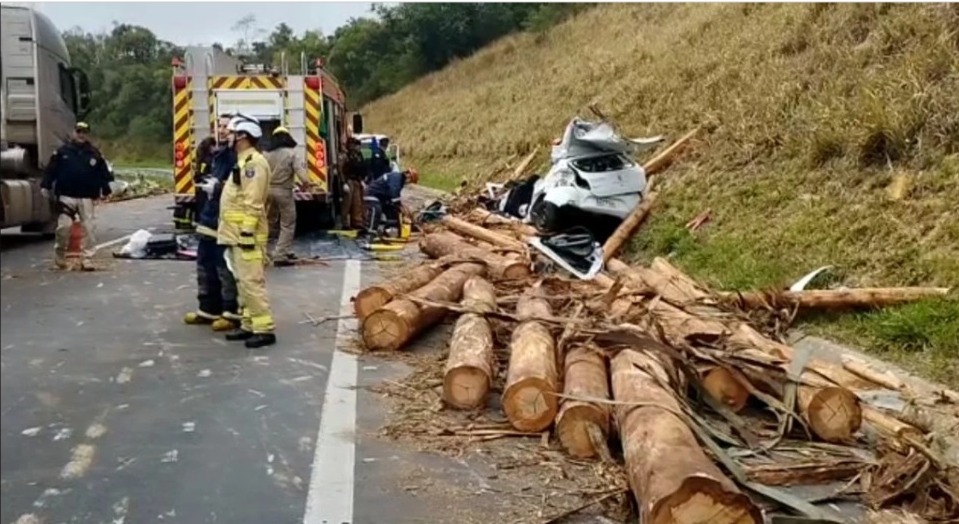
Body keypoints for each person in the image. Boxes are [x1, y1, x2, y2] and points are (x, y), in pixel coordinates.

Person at [218, 113, 277, 348]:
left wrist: (246, 233)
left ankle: (264, 329)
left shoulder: (253, 164)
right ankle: (249, 324)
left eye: (231, 132)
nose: (227, 135)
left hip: (246, 236)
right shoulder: (243, 161)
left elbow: (253, 202)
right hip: (236, 234)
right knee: (242, 282)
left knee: (251, 282)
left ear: (243, 136)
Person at [183, 115, 241, 331]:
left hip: (225, 219)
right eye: (220, 126)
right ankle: (207, 308)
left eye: (227, 127)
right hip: (209, 216)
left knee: (224, 267)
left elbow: (239, 188)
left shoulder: (237, 157)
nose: (223, 130)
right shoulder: (217, 154)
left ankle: (230, 311)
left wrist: (218, 187)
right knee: (204, 264)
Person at [40, 121, 113, 270]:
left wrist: (105, 190)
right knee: (63, 228)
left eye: (84, 132)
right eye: (78, 131)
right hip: (67, 196)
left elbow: (102, 175)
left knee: (89, 228)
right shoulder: (62, 152)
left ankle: (87, 259)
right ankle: (59, 256)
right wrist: (45, 186)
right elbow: (51, 170)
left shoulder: (94, 153)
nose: (81, 135)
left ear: (88, 135)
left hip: (86, 196)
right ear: (73, 133)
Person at [263, 127, 308, 264]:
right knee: (287, 223)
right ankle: (281, 254)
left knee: (268, 222)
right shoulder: (291, 154)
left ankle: (263, 251)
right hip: (284, 192)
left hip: (267, 192)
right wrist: (305, 185)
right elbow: (303, 177)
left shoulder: (266, 154)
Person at [363, 168, 418, 234]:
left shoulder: (399, 180)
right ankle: (370, 231)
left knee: (389, 211)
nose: (409, 183)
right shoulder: (396, 177)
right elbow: (394, 193)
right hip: (372, 194)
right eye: (410, 180)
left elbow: (394, 195)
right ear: (408, 176)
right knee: (376, 210)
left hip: (380, 197)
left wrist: (399, 206)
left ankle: (383, 228)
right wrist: (400, 207)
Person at [340, 136, 368, 230]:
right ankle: (345, 223)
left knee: (357, 203)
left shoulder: (358, 156)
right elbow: (341, 170)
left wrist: (362, 180)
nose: (356, 148)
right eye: (355, 145)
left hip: (356, 180)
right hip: (349, 181)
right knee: (347, 203)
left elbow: (361, 168)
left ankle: (356, 222)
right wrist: (344, 182)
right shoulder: (345, 156)